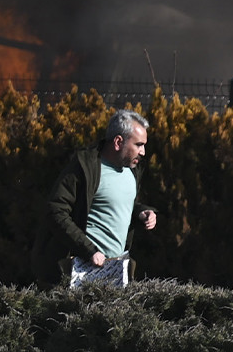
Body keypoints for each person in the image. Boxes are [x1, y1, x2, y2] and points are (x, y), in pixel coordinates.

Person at [32, 109, 158, 287]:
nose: (143, 152)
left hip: (116, 270)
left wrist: (141, 212)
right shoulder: (85, 167)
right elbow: (56, 210)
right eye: (138, 145)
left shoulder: (132, 170)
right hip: (79, 272)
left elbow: (115, 203)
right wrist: (88, 250)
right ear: (118, 142)